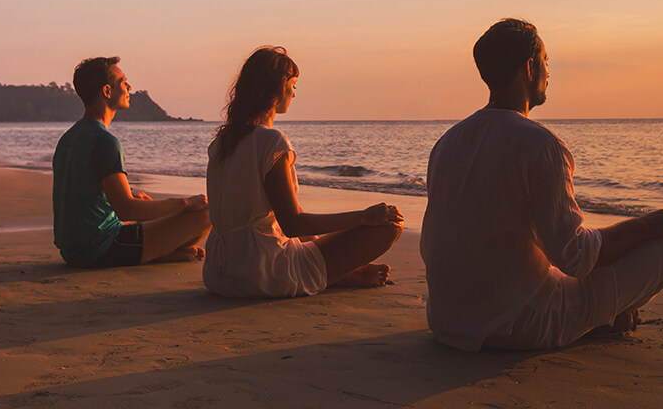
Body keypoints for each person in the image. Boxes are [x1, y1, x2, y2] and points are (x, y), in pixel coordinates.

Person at [421, 18, 663, 351]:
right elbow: (573, 256)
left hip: (446, 320)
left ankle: (604, 316)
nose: (550, 71)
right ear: (530, 67)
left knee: (555, 266)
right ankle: (601, 319)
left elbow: (433, 245)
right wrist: (644, 226)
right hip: (514, 324)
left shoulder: (448, 141)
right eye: (546, 61)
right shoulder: (541, 145)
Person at [203, 46, 404, 298]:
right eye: (293, 85)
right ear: (277, 88)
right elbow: (293, 224)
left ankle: (335, 272)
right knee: (389, 225)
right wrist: (363, 217)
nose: (294, 94)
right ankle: (338, 275)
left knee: (306, 241)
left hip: (219, 272)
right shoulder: (271, 142)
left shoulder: (221, 143)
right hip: (261, 274)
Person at [52, 56, 211, 268]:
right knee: (207, 213)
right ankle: (159, 254)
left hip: (72, 250)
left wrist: (132, 198)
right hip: (100, 249)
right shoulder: (105, 141)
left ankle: (160, 251)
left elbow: (83, 196)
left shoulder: (69, 138)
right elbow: (126, 211)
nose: (129, 87)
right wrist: (185, 203)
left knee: (143, 202)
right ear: (107, 91)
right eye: (123, 82)